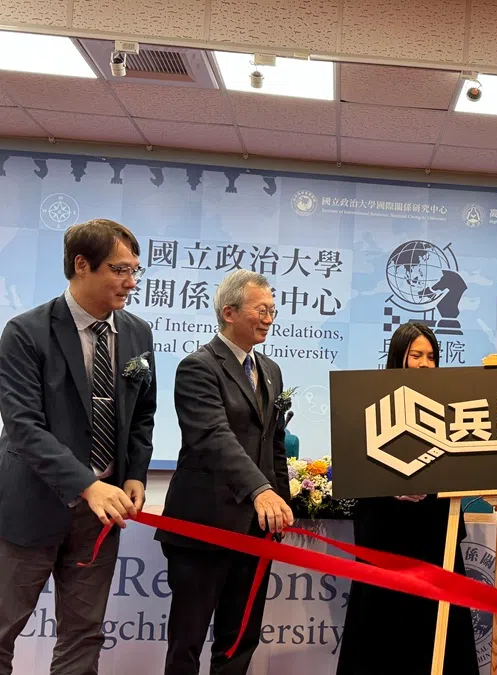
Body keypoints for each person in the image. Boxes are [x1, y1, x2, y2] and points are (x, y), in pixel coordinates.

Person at [0, 218, 156, 674]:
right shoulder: (26, 332)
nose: (130, 283)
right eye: (119, 270)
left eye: (135, 271)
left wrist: (133, 474)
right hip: (32, 507)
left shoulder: (137, 333)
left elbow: (142, 414)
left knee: (83, 634)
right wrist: (88, 484)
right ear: (81, 265)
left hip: (101, 516)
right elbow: (24, 427)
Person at [156, 270, 293, 675]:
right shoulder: (198, 367)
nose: (269, 318)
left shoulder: (269, 370)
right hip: (204, 527)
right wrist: (260, 491)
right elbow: (214, 437)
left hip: (255, 530)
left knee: (239, 640)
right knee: (187, 641)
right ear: (229, 312)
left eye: (273, 310)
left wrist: (280, 500)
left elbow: (274, 442)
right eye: (261, 310)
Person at [337, 321, 479, 675]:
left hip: (434, 533)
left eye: (431, 356)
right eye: (416, 355)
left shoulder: (454, 404)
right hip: (386, 534)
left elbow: (464, 462)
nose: (424, 363)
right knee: (382, 635)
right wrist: (389, 487)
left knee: (438, 632)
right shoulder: (367, 398)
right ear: (398, 357)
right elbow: (354, 465)